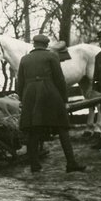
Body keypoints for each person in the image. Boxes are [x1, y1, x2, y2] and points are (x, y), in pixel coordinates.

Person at [16, 34, 86, 173]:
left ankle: (34, 166)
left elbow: (20, 83)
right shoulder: (52, 57)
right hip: (49, 94)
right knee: (62, 129)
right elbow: (60, 80)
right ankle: (71, 163)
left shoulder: (24, 59)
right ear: (46, 45)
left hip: (30, 96)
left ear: (34, 44)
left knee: (33, 130)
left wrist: (23, 99)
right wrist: (64, 100)